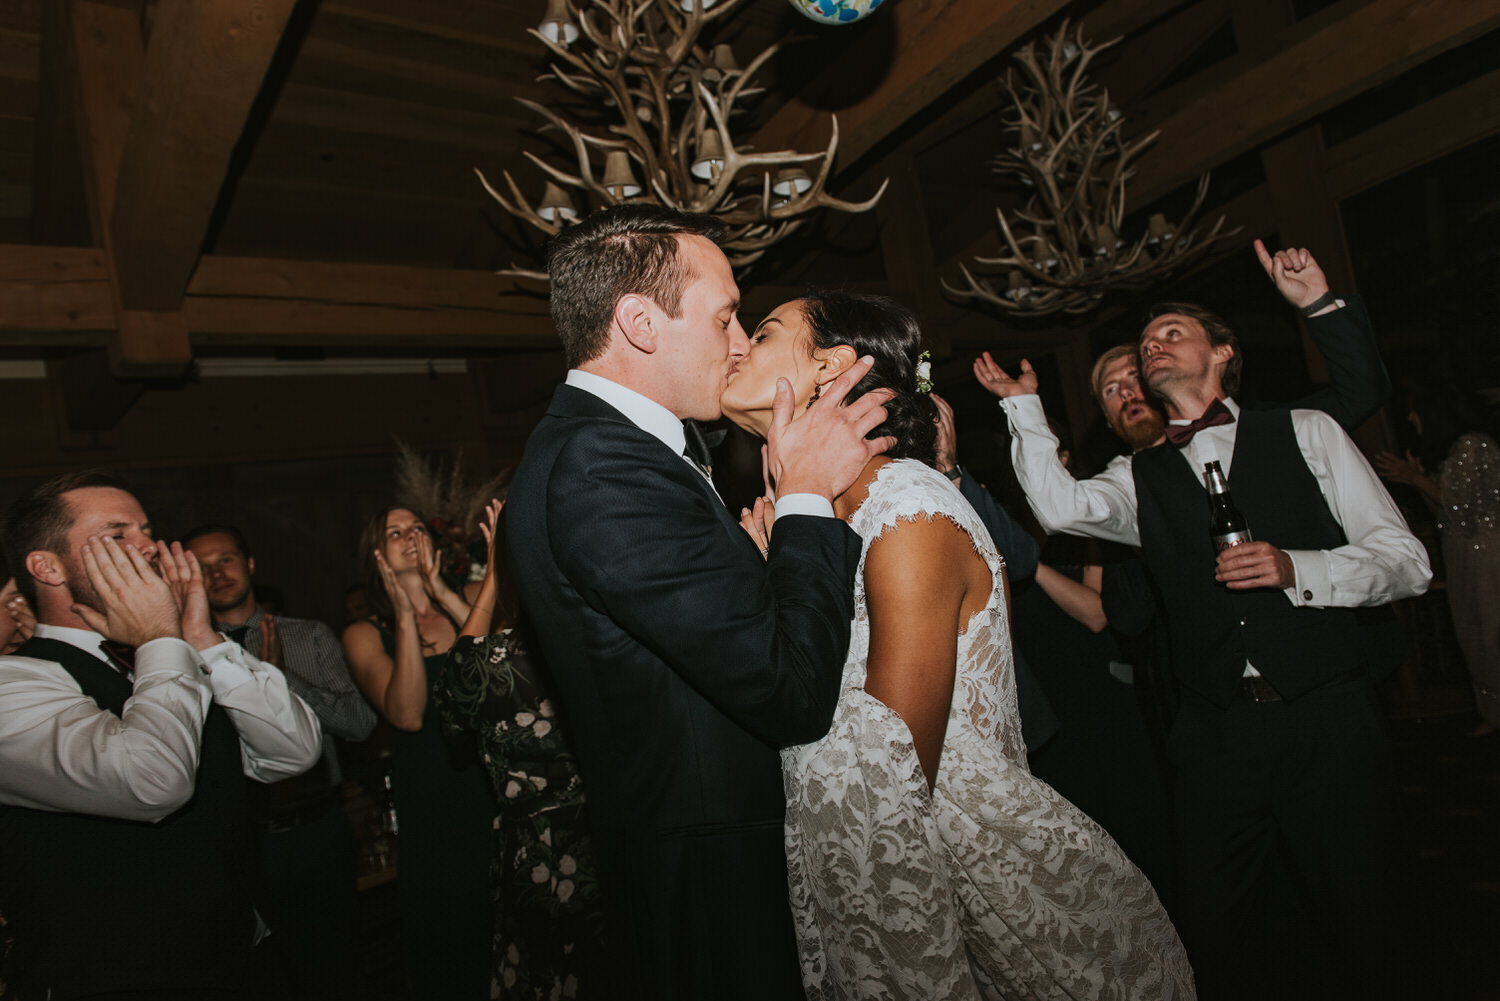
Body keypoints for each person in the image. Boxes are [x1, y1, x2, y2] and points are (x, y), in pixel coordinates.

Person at [723, 289, 1193, 1000]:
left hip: (989, 896)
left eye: (760, 332)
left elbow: (889, 778)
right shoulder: (823, 526)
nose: (734, 345)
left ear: (832, 367)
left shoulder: (906, 508)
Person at [986, 278, 1430, 997]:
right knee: (1213, 936)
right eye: (1145, 342)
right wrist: (1021, 407)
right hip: (1218, 734)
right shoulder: (1139, 472)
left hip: (1326, 718)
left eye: (1170, 334)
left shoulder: (1306, 431)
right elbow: (1061, 509)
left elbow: (1407, 561)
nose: (1152, 347)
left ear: (1222, 352)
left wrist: (1299, 567)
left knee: (1371, 920)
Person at [505, 204, 894, 999]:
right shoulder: (600, 467)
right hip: (712, 872)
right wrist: (809, 497)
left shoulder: (618, 448)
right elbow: (790, 692)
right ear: (641, 324)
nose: (742, 339)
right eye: (724, 317)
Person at [0, 471, 322, 999]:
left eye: (147, 529)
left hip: (245, 963)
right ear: (47, 566)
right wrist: (159, 638)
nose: (150, 546)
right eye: (119, 533)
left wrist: (199, 637)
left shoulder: (176, 652)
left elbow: (293, 754)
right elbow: (150, 783)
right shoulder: (15, 682)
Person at [183, 524, 376, 1001]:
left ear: (249, 566)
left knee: (332, 973)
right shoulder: (181, 657)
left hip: (314, 833)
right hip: (234, 841)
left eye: (225, 559)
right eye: (202, 567)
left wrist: (279, 677)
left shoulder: (307, 636)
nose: (216, 573)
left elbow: (358, 723)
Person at [436, 499, 606, 998]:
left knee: (546, 973)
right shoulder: (601, 634)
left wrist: (495, 572)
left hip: (536, 850)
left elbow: (453, 705)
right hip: (613, 834)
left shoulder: (493, 663)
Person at [342, 506, 493, 1000]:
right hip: (433, 793)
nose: (409, 537)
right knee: (454, 939)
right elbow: (406, 715)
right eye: (394, 532)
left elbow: (504, 668)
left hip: (499, 779)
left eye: (417, 529)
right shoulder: (364, 634)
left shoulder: (471, 596)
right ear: (377, 553)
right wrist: (405, 616)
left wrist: (440, 593)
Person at [1375, 379, 1500, 736]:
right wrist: (1418, 481)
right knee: (1472, 632)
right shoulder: (1451, 452)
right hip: (1462, 550)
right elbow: (1444, 513)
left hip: (1487, 553)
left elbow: (1465, 508)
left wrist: (1415, 477)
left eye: (1415, 410)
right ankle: (1492, 711)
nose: (1412, 420)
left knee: (1492, 631)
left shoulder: (1473, 444)